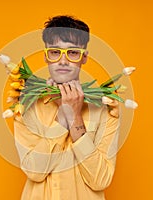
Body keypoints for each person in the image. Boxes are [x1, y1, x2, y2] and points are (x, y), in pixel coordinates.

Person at [14, 15, 120, 200]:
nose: (63, 61)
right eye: (55, 52)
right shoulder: (25, 105)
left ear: (84, 57)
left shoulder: (106, 107)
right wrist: (63, 117)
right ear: (46, 56)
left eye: (72, 52)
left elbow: (101, 180)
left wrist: (74, 117)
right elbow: (34, 171)